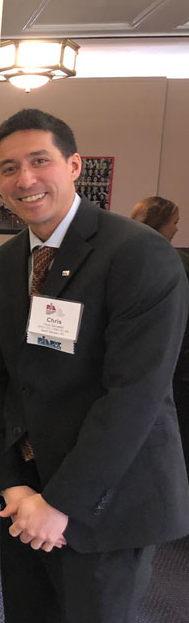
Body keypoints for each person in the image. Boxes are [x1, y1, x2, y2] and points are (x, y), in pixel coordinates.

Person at [0, 109, 189, 623]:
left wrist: (61, 503)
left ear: (74, 165)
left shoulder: (137, 254)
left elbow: (134, 396)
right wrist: (13, 485)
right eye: (9, 168)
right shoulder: (2, 266)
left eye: (39, 161)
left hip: (106, 503)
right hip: (26, 503)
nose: (25, 179)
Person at [130, 195, 189, 474]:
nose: (177, 230)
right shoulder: (178, 262)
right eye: (175, 223)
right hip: (175, 364)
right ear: (163, 224)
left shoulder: (115, 255)